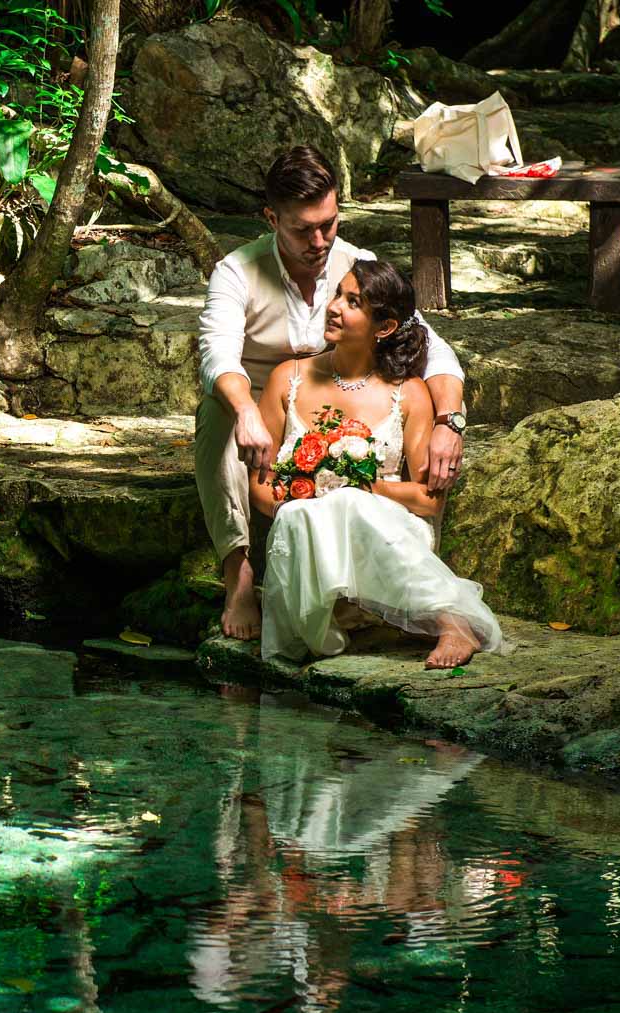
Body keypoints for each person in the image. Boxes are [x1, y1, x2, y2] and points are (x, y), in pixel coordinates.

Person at [194, 145, 471, 640]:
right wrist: (246, 411)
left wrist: (449, 421)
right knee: (217, 413)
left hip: (353, 392)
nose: (319, 240)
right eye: (303, 229)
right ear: (271, 218)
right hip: (263, 396)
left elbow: (430, 346)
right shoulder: (236, 271)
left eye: (329, 223)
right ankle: (238, 573)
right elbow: (217, 354)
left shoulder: (356, 267)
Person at [251, 259, 505, 669]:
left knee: (348, 504)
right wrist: (299, 504)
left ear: (383, 328)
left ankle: (453, 622)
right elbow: (259, 485)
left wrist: (357, 489)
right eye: (338, 294)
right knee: (302, 515)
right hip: (306, 536)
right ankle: (332, 621)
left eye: (353, 303)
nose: (334, 307)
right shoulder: (287, 379)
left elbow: (429, 500)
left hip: (388, 533)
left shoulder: (409, 393)